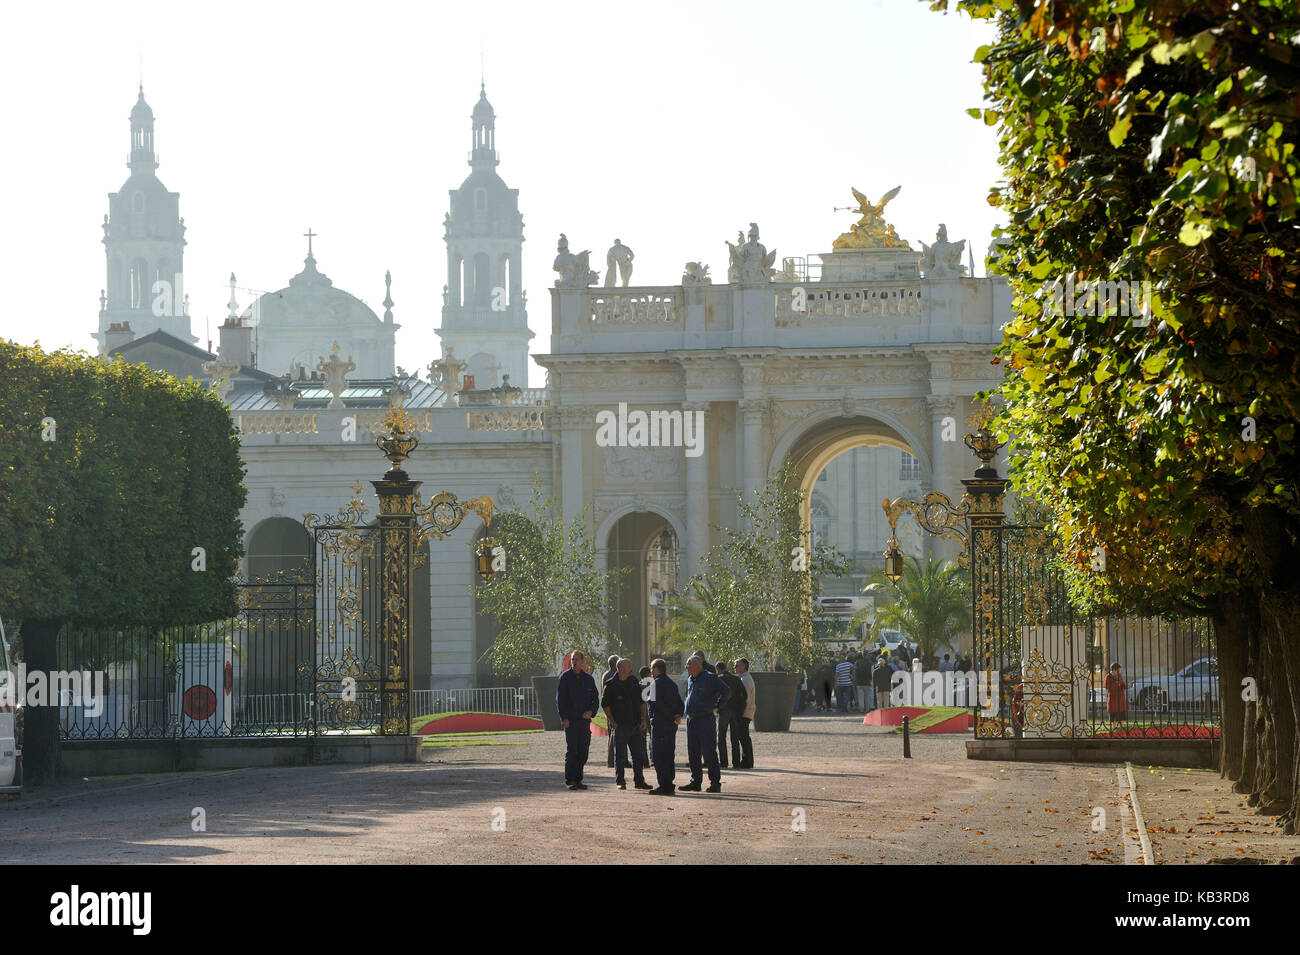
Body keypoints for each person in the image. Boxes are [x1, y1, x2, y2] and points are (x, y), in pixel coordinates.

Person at [601, 658, 652, 790]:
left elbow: (642, 702)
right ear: (619, 668)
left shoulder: (634, 681)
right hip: (620, 725)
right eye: (624, 667)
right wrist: (612, 721)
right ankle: (620, 781)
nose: (628, 669)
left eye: (629, 666)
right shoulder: (611, 684)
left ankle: (639, 781)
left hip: (635, 724)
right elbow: (605, 705)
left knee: (638, 755)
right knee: (620, 756)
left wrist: (643, 719)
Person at [682, 656, 729, 792]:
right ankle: (695, 781)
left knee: (709, 752)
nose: (686, 667)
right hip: (691, 720)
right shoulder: (691, 679)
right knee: (693, 752)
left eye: (688, 664)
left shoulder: (710, 678)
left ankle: (715, 783)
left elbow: (726, 692)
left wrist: (718, 707)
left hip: (705, 720)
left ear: (697, 665)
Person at [556, 650, 600, 790]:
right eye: (572, 659)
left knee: (583, 751)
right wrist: (564, 717)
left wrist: (591, 711)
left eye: (576, 659)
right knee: (572, 750)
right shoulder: (565, 678)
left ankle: (578, 779)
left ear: (582, 662)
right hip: (571, 721)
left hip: (584, 721)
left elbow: (595, 698)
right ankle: (570, 780)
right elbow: (560, 700)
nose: (574, 662)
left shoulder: (588, 679)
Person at [646, 658, 684, 795]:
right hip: (671, 725)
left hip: (660, 724)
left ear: (656, 669)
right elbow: (680, 702)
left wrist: (653, 718)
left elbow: (654, 704)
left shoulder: (654, 684)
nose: (651, 671)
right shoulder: (672, 684)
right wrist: (678, 715)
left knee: (658, 755)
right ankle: (669, 783)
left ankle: (664, 784)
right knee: (668, 754)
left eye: (652, 669)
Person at [715, 661, 747, 768]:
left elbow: (715, 694)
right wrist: (740, 710)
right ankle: (736, 762)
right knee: (734, 738)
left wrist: (717, 707)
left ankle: (724, 762)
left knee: (721, 737)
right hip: (735, 711)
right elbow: (744, 696)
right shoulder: (736, 679)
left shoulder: (719, 679)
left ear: (718, 669)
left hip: (723, 710)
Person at [733, 658, 756, 768]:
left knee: (744, 737)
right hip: (746, 712)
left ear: (743, 667)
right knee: (744, 737)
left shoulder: (745, 680)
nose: (735, 667)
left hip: (744, 712)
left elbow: (744, 698)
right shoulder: (743, 678)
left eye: (737, 665)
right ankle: (747, 760)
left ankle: (747, 761)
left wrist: (738, 712)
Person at [602, 654, 619, 767]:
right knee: (617, 734)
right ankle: (615, 760)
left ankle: (611, 760)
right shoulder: (615, 675)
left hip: (608, 707)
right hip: (615, 707)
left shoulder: (605, 675)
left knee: (611, 734)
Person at [1105, 662, 1127, 729]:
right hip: (1113, 697)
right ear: (1113, 670)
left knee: (1120, 712)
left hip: (1120, 697)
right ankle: (1114, 726)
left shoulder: (1119, 675)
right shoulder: (1108, 676)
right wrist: (1115, 683)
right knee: (1113, 712)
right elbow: (1107, 686)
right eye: (1118, 670)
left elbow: (1122, 683)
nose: (1119, 671)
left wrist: (1124, 686)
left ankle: (1121, 725)